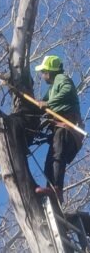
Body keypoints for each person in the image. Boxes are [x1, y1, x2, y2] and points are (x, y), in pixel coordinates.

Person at [34, 55, 83, 202]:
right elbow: (42, 104)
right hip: (60, 129)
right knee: (50, 159)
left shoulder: (61, 79)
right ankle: (51, 188)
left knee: (57, 155)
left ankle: (56, 188)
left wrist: (48, 104)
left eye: (43, 71)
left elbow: (67, 91)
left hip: (68, 127)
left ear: (50, 71)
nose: (42, 75)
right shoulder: (51, 89)